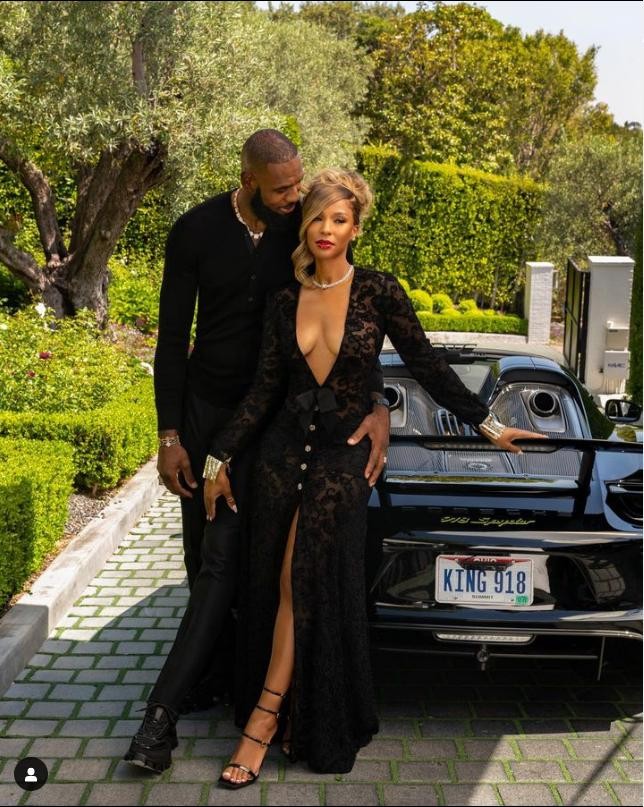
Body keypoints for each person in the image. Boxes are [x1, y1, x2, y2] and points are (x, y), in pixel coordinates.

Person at [206, 169, 546, 786]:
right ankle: (291, 712)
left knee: (300, 578)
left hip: (344, 459)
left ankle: (262, 721)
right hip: (282, 459)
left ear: (355, 228)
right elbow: (263, 391)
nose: (326, 229)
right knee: (279, 584)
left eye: (338, 219)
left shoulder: (378, 290)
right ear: (304, 226)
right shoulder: (284, 300)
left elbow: (428, 365)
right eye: (316, 217)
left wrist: (490, 425)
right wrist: (217, 457)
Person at [124, 133, 390, 773]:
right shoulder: (195, 231)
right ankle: (205, 686)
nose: (296, 197)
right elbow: (171, 341)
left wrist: (379, 403)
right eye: (282, 188)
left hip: (278, 426)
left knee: (244, 563)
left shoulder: (302, 228)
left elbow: (352, 320)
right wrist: (170, 437)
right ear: (247, 181)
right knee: (208, 561)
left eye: (298, 184)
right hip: (210, 420)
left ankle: (167, 719)